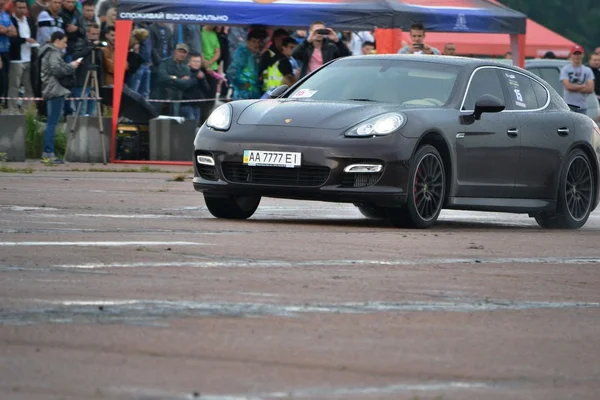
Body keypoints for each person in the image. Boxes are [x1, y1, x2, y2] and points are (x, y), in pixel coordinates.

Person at [39, 30, 80, 162]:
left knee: (52, 122)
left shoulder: (47, 51)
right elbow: (57, 70)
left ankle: (48, 152)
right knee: (52, 123)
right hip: (55, 90)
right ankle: (48, 153)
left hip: (50, 89)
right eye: (64, 42)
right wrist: (71, 66)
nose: (66, 45)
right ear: (57, 41)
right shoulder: (53, 52)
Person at [560, 45, 595, 114]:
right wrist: (583, 86)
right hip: (569, 106)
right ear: (571, 55)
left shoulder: (587, 70)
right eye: (575, 54)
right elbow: (568, 87)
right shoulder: (565, 69)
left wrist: (574, 87)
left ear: (583, 55)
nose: (577, 56)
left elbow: (590, 89)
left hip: (582, 107)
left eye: (579, 54)